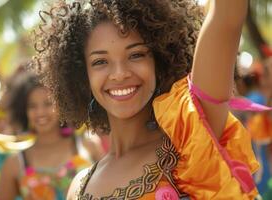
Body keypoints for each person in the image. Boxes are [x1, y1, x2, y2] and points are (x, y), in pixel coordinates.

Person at [34, 0, 261, 199]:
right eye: (100, 62)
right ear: (83, 76)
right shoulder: (79, 188)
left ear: (159, 62)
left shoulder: (190, 137)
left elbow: (226, 18)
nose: (120, 73)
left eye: (136, 55)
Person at [0, 72, 104, 200]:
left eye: (48, 104)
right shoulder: (14, 163)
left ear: (63, 105)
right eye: (32, 106)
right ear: (24, 111)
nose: (40, 112)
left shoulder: (88, 145)